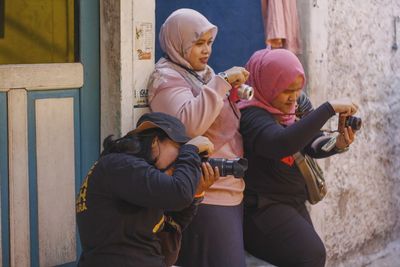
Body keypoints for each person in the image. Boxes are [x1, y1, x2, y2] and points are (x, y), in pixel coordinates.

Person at [238, 48, 359, 267]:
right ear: (268, 84)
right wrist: (328, 109)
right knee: (310, 255)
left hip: (293, 201)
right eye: (286, 90)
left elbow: (311, 142)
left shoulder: (296, 106)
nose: (293, 97)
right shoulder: (250, 114)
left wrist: (338, 143)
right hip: (262, 209)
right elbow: (281, 143)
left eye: (297, 89)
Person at [147, 8, 249, 267]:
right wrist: (222, 82)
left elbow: (216, 115)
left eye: (209, 43)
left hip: (228, 187)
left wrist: (232, 93)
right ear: (177, 42)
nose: (206, 50)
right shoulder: (165, 78)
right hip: (204, 191)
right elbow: (188, 126)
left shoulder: (201, 74)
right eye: (198, 43)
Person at [76, 112, 219, 267]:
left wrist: (196, 192)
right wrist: (190, 151)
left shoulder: (137, 178)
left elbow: (170, 228)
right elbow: (179, 194)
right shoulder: (121, 166)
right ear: (154, 142)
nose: (181, 158)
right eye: (180, 148)